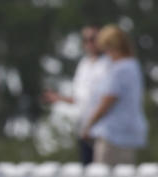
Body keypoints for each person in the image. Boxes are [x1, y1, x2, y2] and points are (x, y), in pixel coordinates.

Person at [81, 25, 148, 165]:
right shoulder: (132, 65)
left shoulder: (120, 69)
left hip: (113, 135)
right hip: (128, 134)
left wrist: (88, 125)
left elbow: (107, 101)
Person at [44, 24, 109, 165]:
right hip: (84, 127)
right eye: (86, 39)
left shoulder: (109, 64)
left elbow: (108, 99)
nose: (89, 43)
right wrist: (59, 98)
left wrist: (94, 122)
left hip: (103, 130)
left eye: (93, 39)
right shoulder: (83, 65)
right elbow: (81, 98)